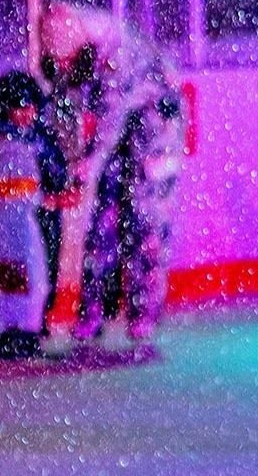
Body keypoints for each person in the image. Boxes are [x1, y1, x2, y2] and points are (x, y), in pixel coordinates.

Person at [0, 72, 72, 360]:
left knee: (36, 276)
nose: (27, 114)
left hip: (34, 217)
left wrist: (55, 192)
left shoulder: (39, 137)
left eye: (31, 107)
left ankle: (31, 328)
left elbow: (56, 170)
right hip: (0, 221)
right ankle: (3, 331)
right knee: (1, 278)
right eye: (20, 107)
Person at [73, 93, 187, 345]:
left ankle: (142, 314)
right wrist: (92, 164)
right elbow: (106, 133)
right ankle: (94, 314)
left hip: (146, 186)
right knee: (100, 247)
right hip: (117, 176)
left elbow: (168, 154)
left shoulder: (160, 102)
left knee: (146, 248)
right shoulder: (118, 96)